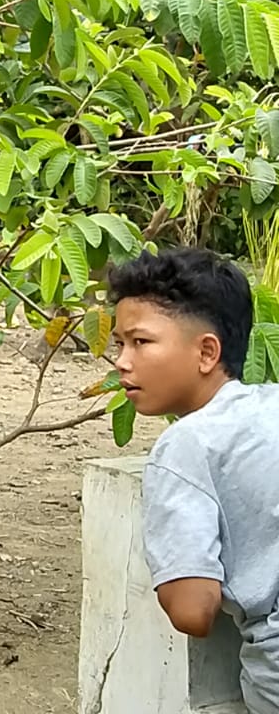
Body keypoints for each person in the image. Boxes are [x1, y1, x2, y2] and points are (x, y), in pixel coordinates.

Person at [110, 245, 279, 714]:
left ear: (207, 351)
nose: (122, 361)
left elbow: (193, 610)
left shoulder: (187, 446)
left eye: (140, 342)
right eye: (119, 344)